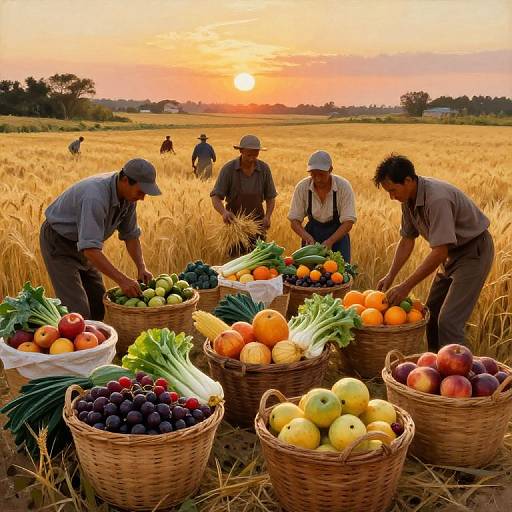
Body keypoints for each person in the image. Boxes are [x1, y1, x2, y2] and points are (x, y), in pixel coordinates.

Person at [374, 154, 494, 350]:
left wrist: (405, 287)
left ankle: (457, 376)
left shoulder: (436, 199)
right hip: (451, 255)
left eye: (393, 190)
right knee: (431, 313)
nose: (391, 197)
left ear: (408, 180)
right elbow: (406, 240)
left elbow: (439, 251)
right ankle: (435, 368)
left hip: (473, 252)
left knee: (449, 321)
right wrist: (391, 275)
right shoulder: (408, 199)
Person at [39, 158, 161, 321]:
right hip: (60, 243)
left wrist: (141, 267)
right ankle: (75, 346)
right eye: (141, 192)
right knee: (78, 312)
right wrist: (123, 280)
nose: (143, 198)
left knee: (98, 304)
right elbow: (90, 249)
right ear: (125, 180)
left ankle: (92, 344)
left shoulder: (129, 198)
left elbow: (131, 235)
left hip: (84, 245)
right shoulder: (95, 197)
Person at [288, 150, 356, 262]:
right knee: (308, 275)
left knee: (340, 275)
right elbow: (294, 220)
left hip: (338, 237)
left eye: (321, 174)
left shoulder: (343, 187)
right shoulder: (302, 187)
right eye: (313, 174)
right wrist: (307, 237)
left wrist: (330, 241)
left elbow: (348, 222)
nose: (318, 179)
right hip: (312, 236)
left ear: (330, 170)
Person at [210, 134, 277, 247]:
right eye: (249, 155)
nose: (252, 158)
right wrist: (224, 212)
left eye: (255, 154)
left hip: (258, 226)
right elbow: (215, 196)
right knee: (235, 259)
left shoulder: (264, 169)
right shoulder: (228, 169)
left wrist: (268, 216)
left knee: (259, 261)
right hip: (234, 226)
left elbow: (270, 196)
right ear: (241, 151)